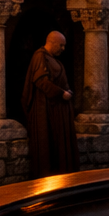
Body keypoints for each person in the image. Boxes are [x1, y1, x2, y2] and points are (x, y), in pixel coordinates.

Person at [22, 30, 78, 177]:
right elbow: (41, 81)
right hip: (45, 109)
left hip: (56, 108)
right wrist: (61, 93)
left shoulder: (52, 58)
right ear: (52, 43)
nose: (63, 49)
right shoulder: (40, 57)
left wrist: (68, 91)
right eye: (61, 45)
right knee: (48, 144)